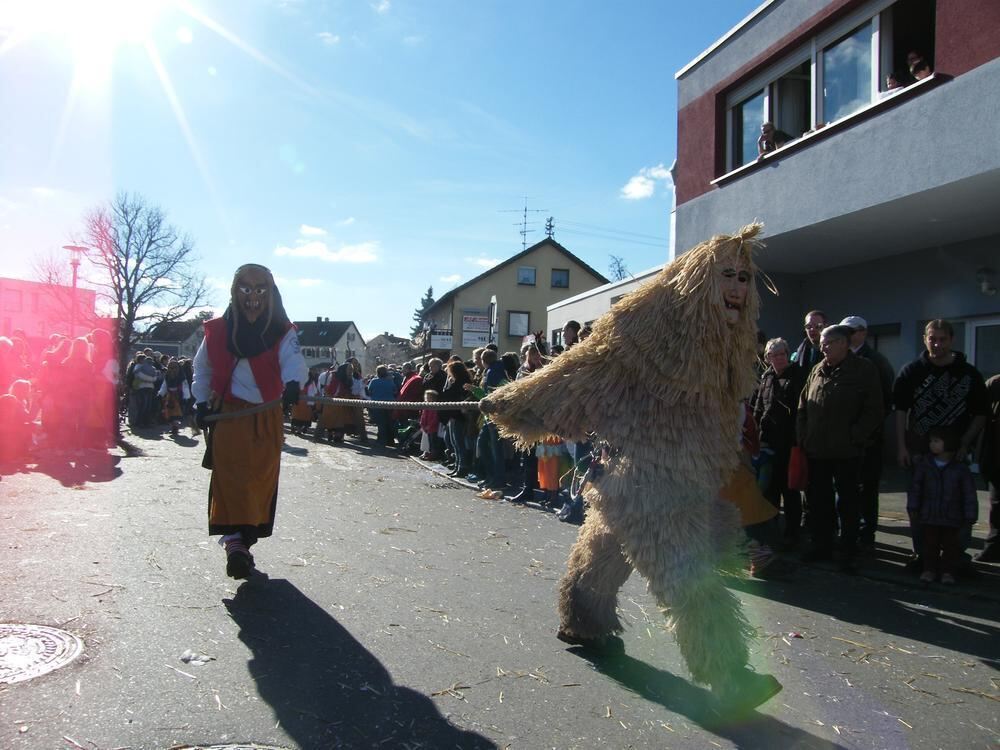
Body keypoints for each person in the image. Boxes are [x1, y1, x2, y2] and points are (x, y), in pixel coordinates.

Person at [481, 223, 783, 714]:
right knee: (690, 577)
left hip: (667, 482)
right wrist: (518, 401)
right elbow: (586, 367)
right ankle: (730, 677)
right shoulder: (648, 329)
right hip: (650, 482)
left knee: (603, 553)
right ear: (696, 281)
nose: (737, 288)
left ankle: (583, 622)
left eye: (745, 278)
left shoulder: (729, 345)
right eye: (725, 275)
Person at [193, 263, 307, 580]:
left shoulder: (283, 331)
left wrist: (294, 383)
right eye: (245, 289)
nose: (252, 297)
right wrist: (200, 401)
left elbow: (293, 360)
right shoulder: (217, 331)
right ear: (234, 292)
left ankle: (244, 540)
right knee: (230, 478)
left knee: (258, 478)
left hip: (265, 415)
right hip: (229, 415)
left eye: (260, 290)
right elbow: (201, 368)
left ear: (270, 294)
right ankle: (235, 545)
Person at [893, 319, 988, 564]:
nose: (937, 344)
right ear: (925, 339)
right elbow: (901, 411)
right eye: (932, 338)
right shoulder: (912, 371)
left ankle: (955, 557)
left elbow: (980, 413)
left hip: (954, 452)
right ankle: (923, 554)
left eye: (942, 339)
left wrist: (965, 443)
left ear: (951, 340)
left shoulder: (968, 373)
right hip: (919, 451)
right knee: (918, 506)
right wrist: (902, 446)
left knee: (957, 507)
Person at [796, 324, 884, 574]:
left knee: (848, 503)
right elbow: (803, 405)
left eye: (828, 342)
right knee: (818, 502)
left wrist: (856, 436)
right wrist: (803, 436)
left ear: (844, 343)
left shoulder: (864, 369)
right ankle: (821, 545)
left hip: (847, 451)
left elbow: (874, 409)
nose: (822, 346)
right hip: (817, 450)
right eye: (821, 343)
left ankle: (847, 550)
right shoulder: (817, 370)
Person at [840, 316, 895, 551]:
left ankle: (867, 534)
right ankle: (849, 532)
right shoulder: (841, 359)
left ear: (863, 333)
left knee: (868, 487)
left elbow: (883, 403)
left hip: (867, 439)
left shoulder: (876, 362)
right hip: (843, 439)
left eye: (853, 331)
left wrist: (862, 431)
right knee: (847, 488)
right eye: (845, 332)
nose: (849, 336)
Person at [751, 337, 806, 546]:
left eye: (782, 354)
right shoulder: (766, 377)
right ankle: (772, 533)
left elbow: (803, 411)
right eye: (774, 355)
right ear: (768, 357)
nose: (779, 358)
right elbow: (757, 408)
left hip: (789, 444)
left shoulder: (799, 376)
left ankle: (793, 534)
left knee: (790, 492)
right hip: (767, 444)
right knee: (770, 492)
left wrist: (798, 440)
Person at [907, 427, 977, 584]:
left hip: (952, 516)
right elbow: (916, 488)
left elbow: (969, 494)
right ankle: (929, 569)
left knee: (951, 546)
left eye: (936, 441)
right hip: (930, 515)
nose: (932, 444)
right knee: (930, 545)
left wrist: (970, 515)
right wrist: (913, 507)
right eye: (931, 441)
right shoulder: (925, 465)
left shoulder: (960, 469)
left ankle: (947, 572)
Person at [976, 374, 1000, 562]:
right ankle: (993, 548)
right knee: (997, 504)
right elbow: (981, 416)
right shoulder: (995, 384)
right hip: (996, 456)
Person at [366, 365, 399, 446]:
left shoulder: (374, 381)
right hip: (390, 404)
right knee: (390, 422)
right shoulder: (390, 381)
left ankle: (381, 440)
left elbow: (369, 391)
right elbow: (395, 391)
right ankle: (390, 440)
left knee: (381, 423)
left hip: (377, 404)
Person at [159, 359, 191, 436]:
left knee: (177, 413)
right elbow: (164, 385)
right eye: (171, 367)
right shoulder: (167, 376)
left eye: (174, 367)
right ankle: (174, 426)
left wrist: (186, 397)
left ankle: (175, 427)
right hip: (170, 396)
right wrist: (160, 394)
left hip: (178, 396)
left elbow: (185, 387)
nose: (173, 369)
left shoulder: (181, 376)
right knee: (170, 413)